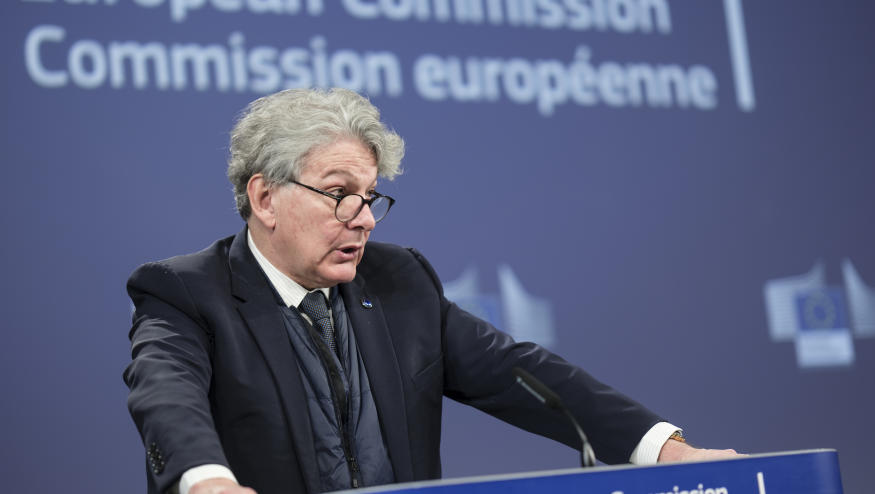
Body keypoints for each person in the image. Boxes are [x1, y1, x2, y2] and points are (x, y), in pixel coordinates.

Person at [124, 88, 737, 494]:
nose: (362, 218)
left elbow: (519, 372)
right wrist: (207, 481)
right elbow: (167, 395)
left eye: (370, 198)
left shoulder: (398, 282)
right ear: (264, 199)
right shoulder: (187, 292)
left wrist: (662, 450)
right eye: (340, 194)